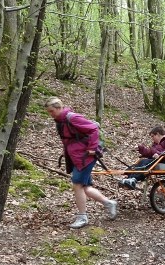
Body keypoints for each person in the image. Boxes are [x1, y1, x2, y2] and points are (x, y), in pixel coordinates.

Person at [45, 97, 117, 229]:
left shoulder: (72, 118)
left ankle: (82, 217)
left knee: (77, 184)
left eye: (52, 111)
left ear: (59, 108)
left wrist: (92, 148)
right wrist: (65, 151)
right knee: (85, 187)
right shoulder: (60, 121)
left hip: (85, 157)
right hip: (76, 155)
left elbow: (93, 129)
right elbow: (68, 139)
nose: (51, 114)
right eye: (49, 112)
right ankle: (109, 203)